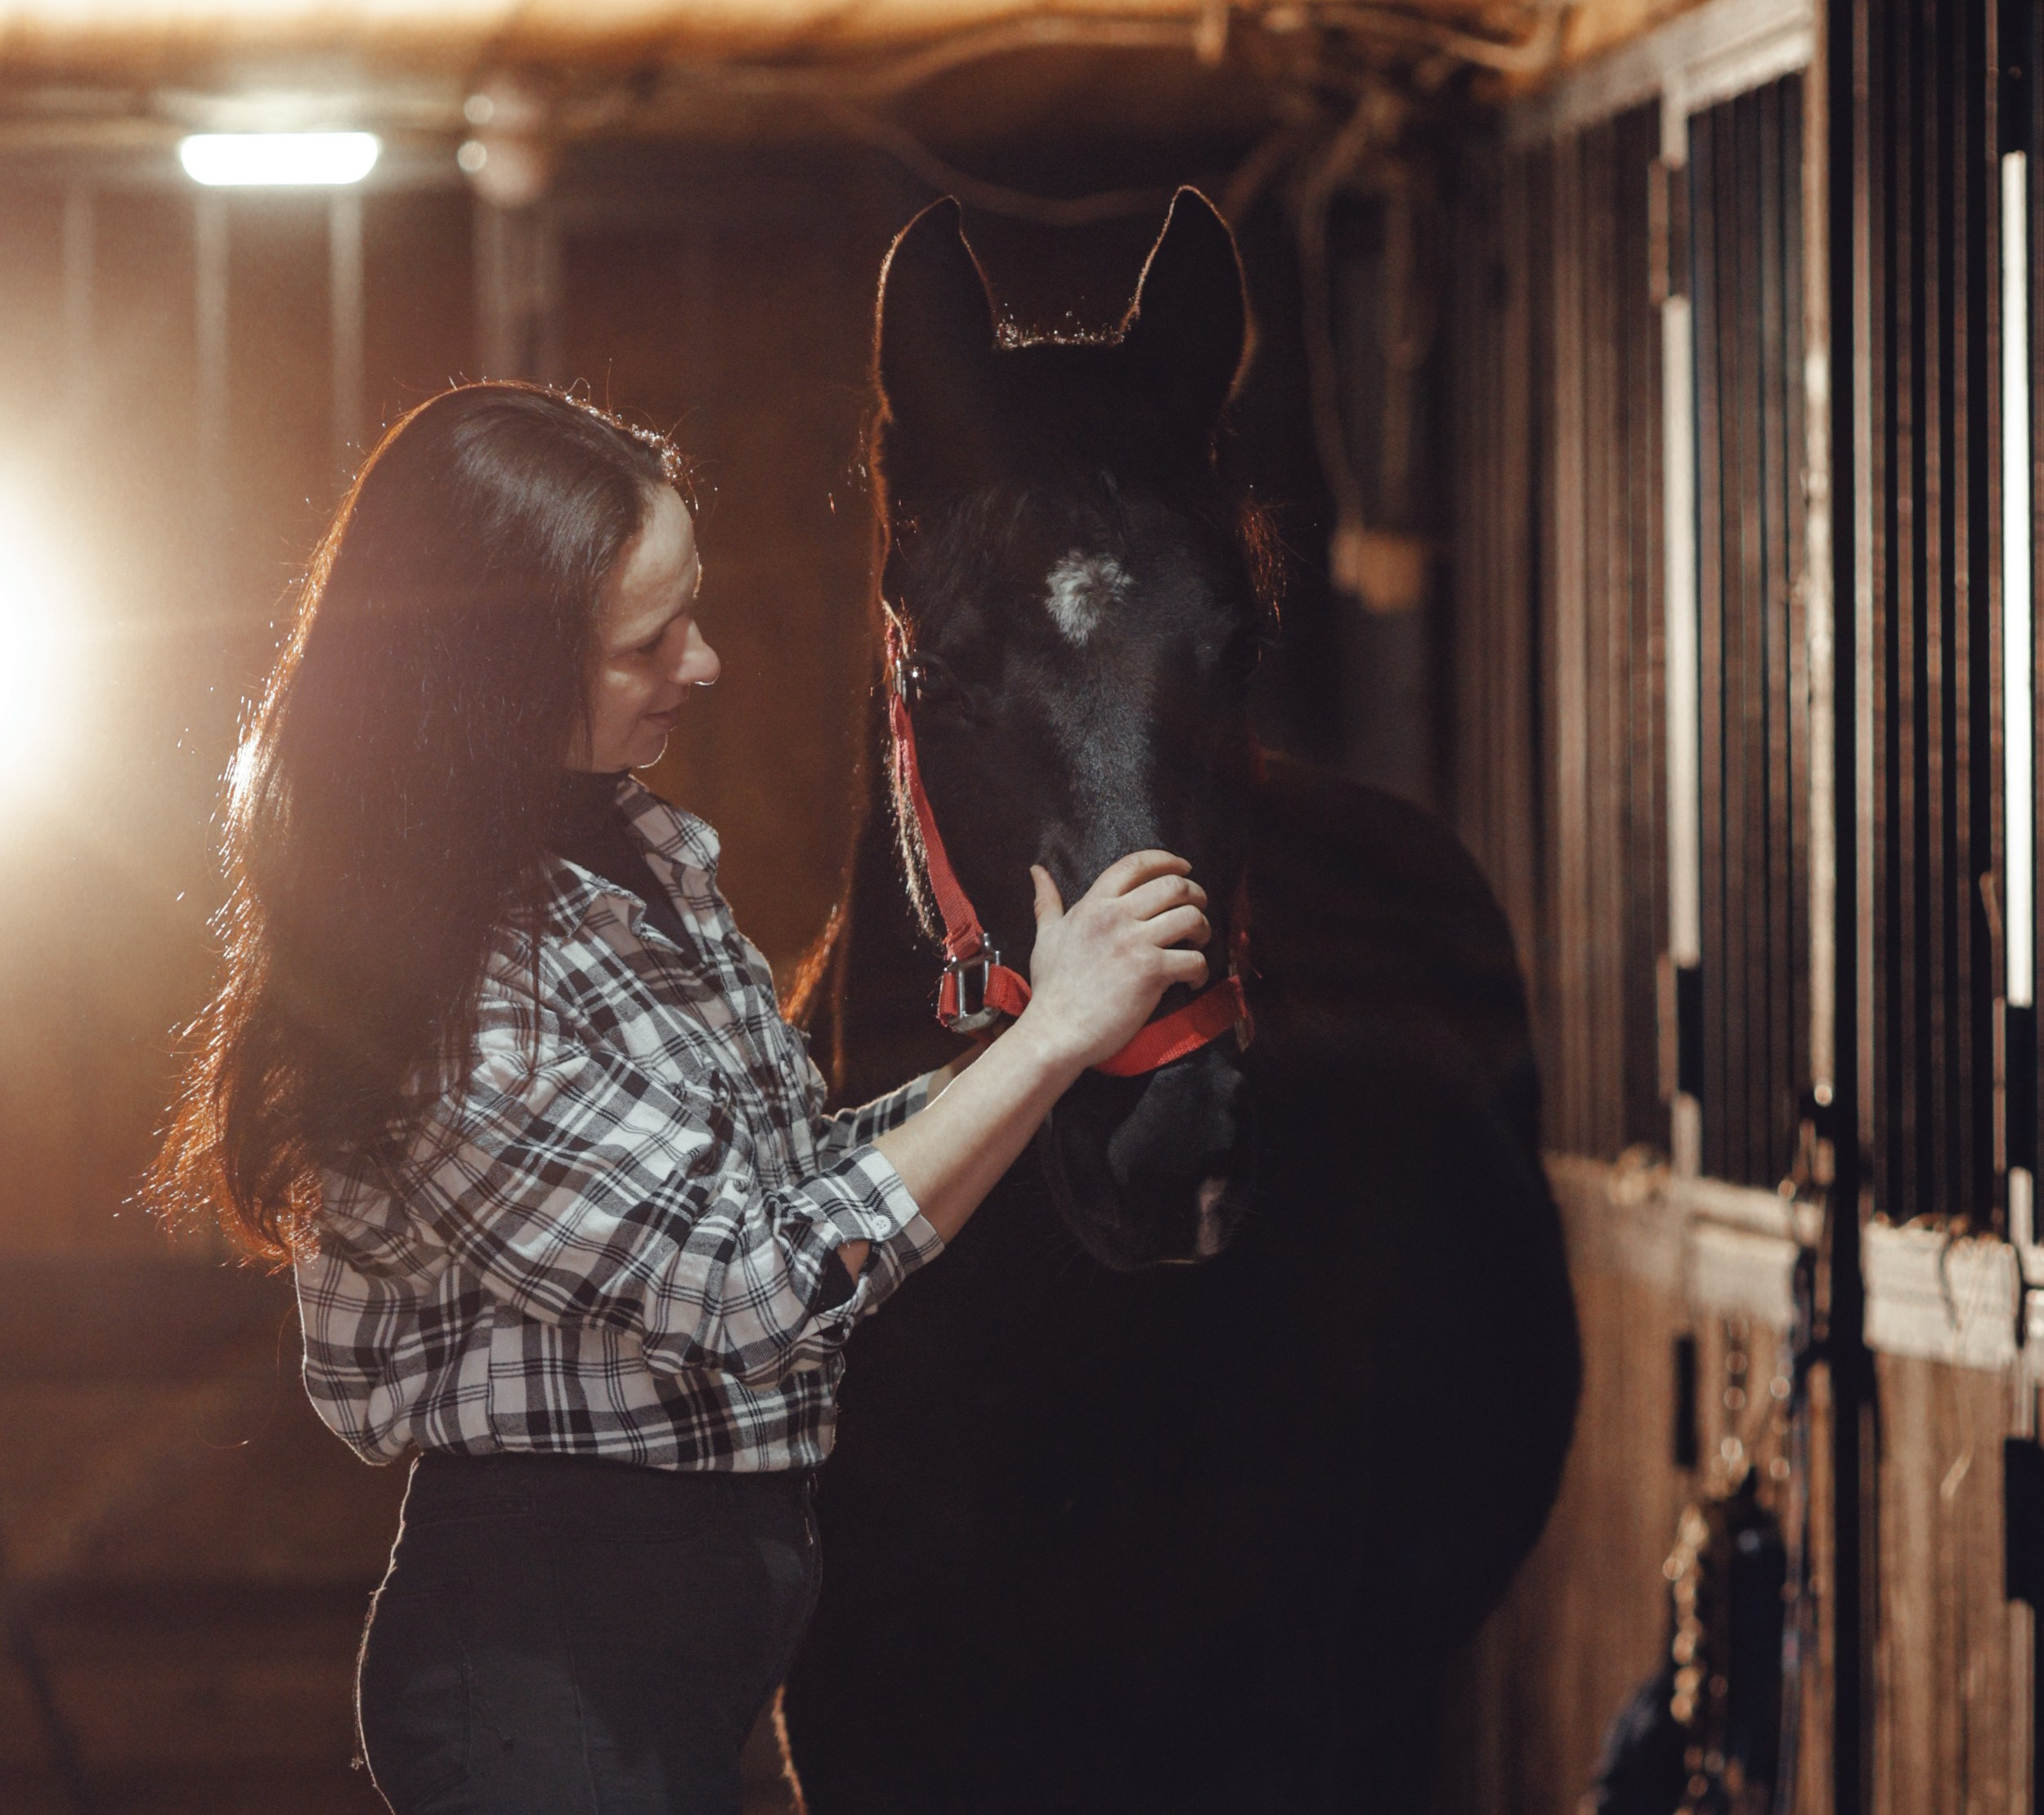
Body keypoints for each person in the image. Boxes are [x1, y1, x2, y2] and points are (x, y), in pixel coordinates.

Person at [148, 382, 1211, 1815]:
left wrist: (1047, 1047)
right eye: (646, 641)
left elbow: (784, 1186)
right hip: (554, 1656)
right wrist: (1045, 1047)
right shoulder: (438, 991)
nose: (702, 663)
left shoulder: (625, 870)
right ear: (496, 672)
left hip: (686, 1650)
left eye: (690, 608)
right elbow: (750, 1284)